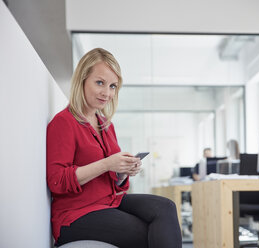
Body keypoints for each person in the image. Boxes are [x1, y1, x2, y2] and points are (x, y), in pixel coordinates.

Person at [47, 48, 182, 248]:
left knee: (166, 207)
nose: (107, 93)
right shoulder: (64, 122)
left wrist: (123, 172)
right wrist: (106, 164)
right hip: (75, 215)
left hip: (110, 202)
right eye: (100, 83)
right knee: (147, 233)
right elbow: (57, 181)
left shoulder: (106, 125)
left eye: (112, 86)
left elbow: (113, 181)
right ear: (82, 80)